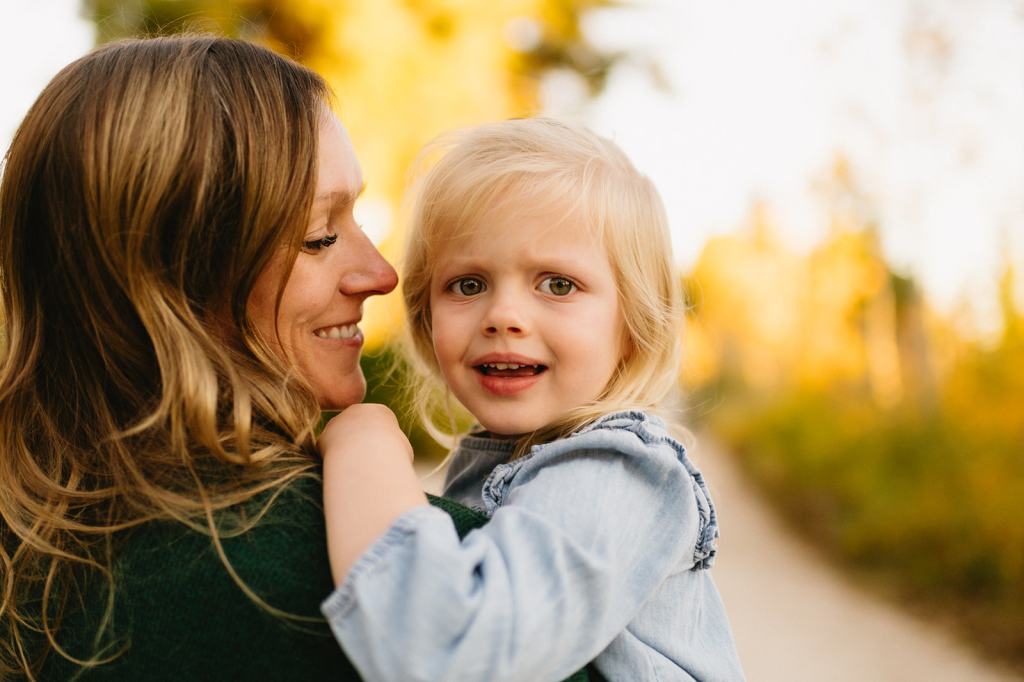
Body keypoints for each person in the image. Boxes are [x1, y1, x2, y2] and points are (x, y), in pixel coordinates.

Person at [0, 35, 519, 681]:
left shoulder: (36, 560)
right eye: (319, 236)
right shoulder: (423, 584)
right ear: (171, 278)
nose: (382, 275)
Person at [318, 118, 747, 681]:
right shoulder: (510, 460)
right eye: (468, 284)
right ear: (426, 318)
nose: (503, 317)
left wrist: (364, 444)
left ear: (634, 325)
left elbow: (453, 653)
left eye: (558, 284)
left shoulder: (617, 473)